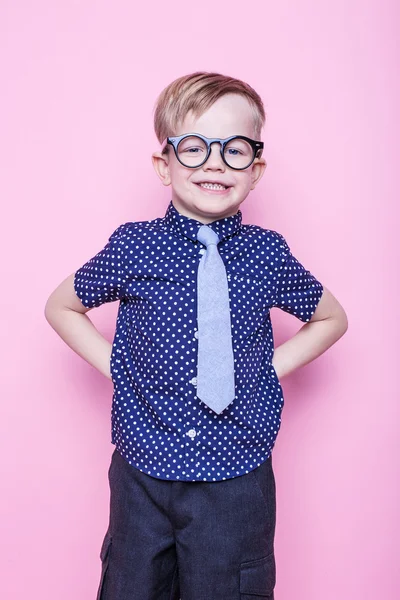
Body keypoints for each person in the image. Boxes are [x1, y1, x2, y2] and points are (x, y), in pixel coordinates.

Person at [44, 71, 348, 600]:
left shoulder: (266, 253)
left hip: (236, 473)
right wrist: (118, 363)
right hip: (142, 469)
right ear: (164, 165)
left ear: (256, 169)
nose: (213, 162)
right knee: (132, 585)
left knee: (227, 588)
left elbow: (331, 318)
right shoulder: (134, 247)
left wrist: (265, 369)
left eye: (234, 149)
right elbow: (61, 306)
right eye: (194, 147)